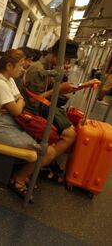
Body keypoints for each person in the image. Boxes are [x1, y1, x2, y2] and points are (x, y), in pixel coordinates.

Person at [24, 40, 100, 182]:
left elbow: (65, 86)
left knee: (71, 123)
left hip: (44, 105)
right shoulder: (38, 69)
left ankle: (45, 162)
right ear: (55, 55)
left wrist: (85, 85)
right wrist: (57, 90)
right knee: (70, 134)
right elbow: (33, 101)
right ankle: (37, 167)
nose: (67, 65)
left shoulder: (48, 68)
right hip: (32, 110)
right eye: (65, 60)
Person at [0, 49, 57, 198]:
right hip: (1, 128)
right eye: (20, 65)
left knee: (47, 145)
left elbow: (20, 101)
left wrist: (19, 102)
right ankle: (18, 178)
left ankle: (23, 173)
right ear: (9, 66)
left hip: (11, 124)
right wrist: (19, 102)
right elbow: (18, 110)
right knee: (48, 152)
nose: (23, 69)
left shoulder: (9, 80)